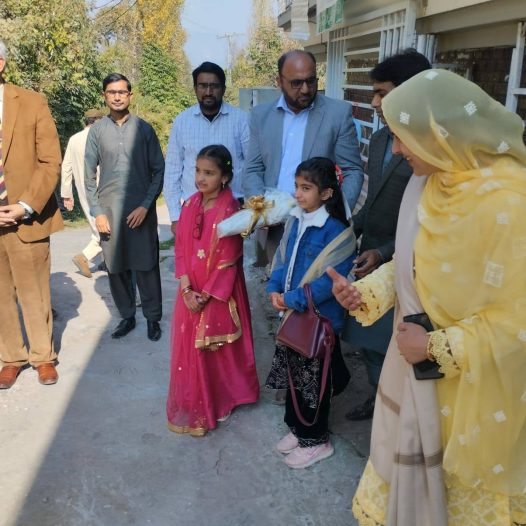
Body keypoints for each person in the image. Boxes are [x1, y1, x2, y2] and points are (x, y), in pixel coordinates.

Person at [329, 69, 526, 525]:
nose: (397, 150)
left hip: (475, 396)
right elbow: (413, 263)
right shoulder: (429, 182)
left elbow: (516, 318)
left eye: (403, 137)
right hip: (412, 374)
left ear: (440, 133)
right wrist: (365, 293)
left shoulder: (510, 203)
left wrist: (436, 347)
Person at [343, 50, 431, 421]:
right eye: (374, 93)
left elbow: (425, 221)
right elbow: (374, 198)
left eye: (382, 92)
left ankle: (396, 412)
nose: (374, 103)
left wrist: (384, 252)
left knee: (397, 345)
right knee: (366, 338)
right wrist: (346, 229)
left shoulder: (430, 148)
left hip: (407, 266)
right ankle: (378, 399)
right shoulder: (380, 139)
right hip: (369, 257)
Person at [266, 157, 355, 468]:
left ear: (327, 193)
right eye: (297, 186)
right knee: (296, 376)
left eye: (306, 188)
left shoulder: (338, 232)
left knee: (313, 383)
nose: (298, 194)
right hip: (293, 315)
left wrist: (291, 299)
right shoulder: (296, 220)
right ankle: (298, 427)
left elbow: (327, 283)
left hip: (319, 322)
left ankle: (316, 440)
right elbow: (282, 260)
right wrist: (274, 289)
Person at [166, 145, 259, 437]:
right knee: (191, 347)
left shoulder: (230, 210)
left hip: (218, 292)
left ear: (225, 177)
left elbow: (228, 260)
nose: (201, 178)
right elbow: (181, 249)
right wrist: (186, 290)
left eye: (209, 173)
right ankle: (197, 397)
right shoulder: (190, 204)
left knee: (218, 351)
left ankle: (222, 398)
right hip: (190, 291)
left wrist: (204, 296)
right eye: (197, 171)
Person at [243, 50, 363, 267]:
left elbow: (352, 170)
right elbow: (253, 168)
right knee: (278, 284)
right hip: (275, 226)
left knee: (315, 285)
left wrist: (334, 216)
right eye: (296, 83)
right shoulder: (261, 116)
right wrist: (259, 209)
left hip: (320, 226)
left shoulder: (337, 114)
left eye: (311, 81)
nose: (306, 89)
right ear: (279, 81)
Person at [0, 39, 63, 389]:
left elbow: (50, 161)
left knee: (35, 292)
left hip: (28, 217)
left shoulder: (31, 102)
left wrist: (25, 206)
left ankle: (43, 356)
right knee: (0, 296)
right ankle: (11, 357)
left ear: (1, 63)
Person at [85, 73, 164, 342]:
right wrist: (97, 212)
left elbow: (158, 170)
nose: (117, 97)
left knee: (147, 265)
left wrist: (145, 206)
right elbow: (88, 176)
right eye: (111, 92)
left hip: (141, 212)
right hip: (109, 213)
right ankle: (127, 316)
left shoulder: (144, 129)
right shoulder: (97, 131)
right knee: (116, 267)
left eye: (122, 92)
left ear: (130, 95)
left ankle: (153, 318)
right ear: (104, 96)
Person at [163, 62, 249, 236]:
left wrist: (249, 206)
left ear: (223, 89)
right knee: (192, 254)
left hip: (232, 211)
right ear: (195, 89)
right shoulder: (182, 122)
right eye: (202, 86)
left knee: (228, 254)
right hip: (193, 209)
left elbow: (251, 165)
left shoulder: (241, 120)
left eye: (214, 86)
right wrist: (175, 216)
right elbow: (172, 170)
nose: (208, 92)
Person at [61, 108, 105, 278]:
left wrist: (67, 194)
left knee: (98, 226)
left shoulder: (74, 139)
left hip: (83, 191)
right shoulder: (99, 137)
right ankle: (84, 256)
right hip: (101, 189)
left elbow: (66, 167)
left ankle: (106, 262)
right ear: (98, 121)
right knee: (105, 227)